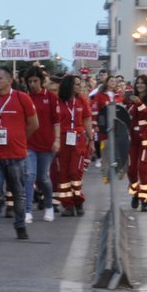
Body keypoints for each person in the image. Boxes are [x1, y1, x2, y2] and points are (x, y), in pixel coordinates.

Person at [0, 66, 38, 241]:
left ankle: (20, 226)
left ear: (9, 81)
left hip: (16, 155)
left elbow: (34, 124)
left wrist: (19, 138)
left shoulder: (22, 98)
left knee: (18, 193)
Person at [52, 73, 93, 216]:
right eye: (77, 84)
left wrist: (91, 139)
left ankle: (78, 201)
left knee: (75, 171)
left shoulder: (82, 101)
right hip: (63, 140)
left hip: (78, 139)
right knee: (62, 174)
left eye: (80, 84)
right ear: (69, 86)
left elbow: (87, 120)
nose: (80, 86)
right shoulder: (58, 101)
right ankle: (68, 205)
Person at [24, 68, 59, 222]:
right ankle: (27, 210)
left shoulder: (50, 97)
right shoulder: (25, 98)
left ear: (41, 81)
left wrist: (57, 140)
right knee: (29, 176)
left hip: (47, 144)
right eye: (30, 81)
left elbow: (56, 121)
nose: (32, 84)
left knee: (43, 178)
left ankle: (49, 206)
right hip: (29, 143)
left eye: (35, 81)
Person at [126, 73, 147, 211]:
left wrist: (139, 104)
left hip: (146, 139)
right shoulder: (131, 100)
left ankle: (145, 199)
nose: (139, 85)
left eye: (143, 83)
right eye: (138, 83)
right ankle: (135, 192)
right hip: (132, 140)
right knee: (131, 170)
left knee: (143, 169)